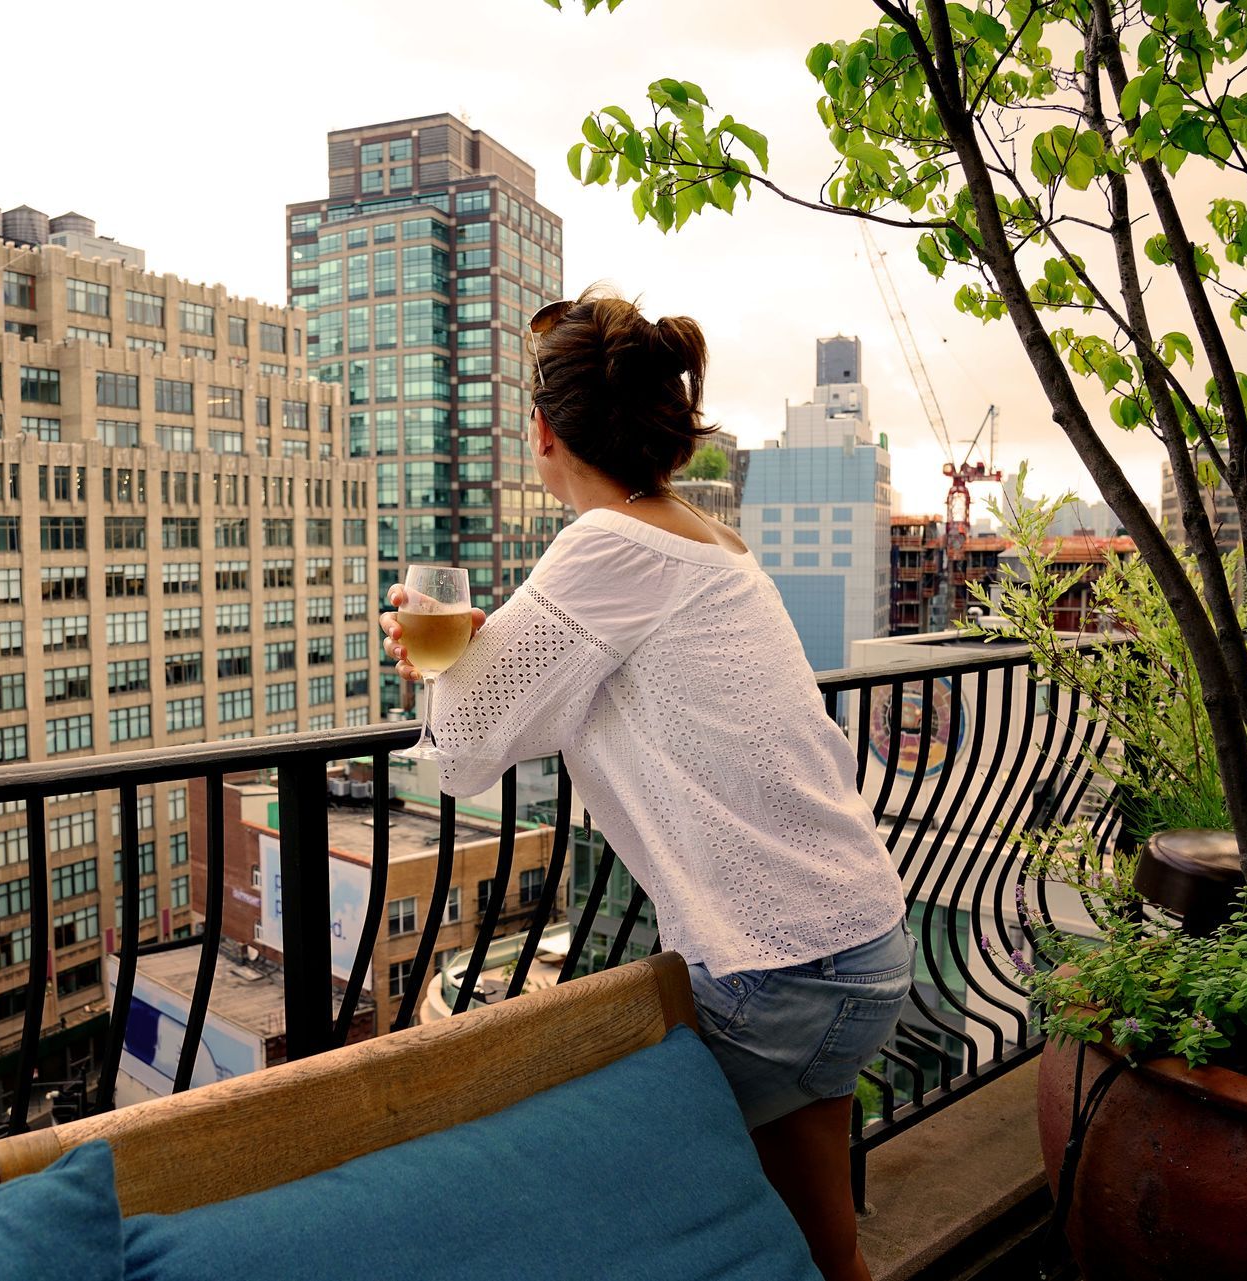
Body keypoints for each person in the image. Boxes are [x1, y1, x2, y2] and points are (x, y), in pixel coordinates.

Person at [379, 286, 910, 1281]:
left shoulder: (603, 548)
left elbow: (456, 759)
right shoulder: (710, 542)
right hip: (858, 942)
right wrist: (489, 660)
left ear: (541, 433)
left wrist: (442, 653)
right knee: (822, 1249)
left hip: (778, 968)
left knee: (622, 1214)